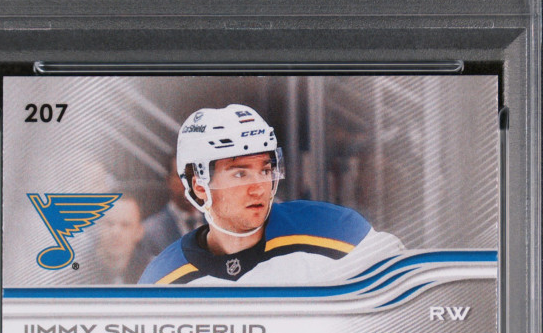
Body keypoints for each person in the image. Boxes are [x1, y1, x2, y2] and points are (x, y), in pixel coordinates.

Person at [138, 104, 402, 286]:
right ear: (199, 186)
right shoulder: (163, 277)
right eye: (240, 174)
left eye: (265, 170)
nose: (259, 188)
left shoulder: (333, 230)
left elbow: (407, 292)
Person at [138, 157, 204, 269]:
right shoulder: (151, 231)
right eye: (181, 176)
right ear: (168, 181)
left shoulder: (218, 224)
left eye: (194, 176)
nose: (188, 183)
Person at [94, 191, 148, 284]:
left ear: (139, 232)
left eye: (125, 225)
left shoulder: (155, 270)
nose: (116, 232)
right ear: (96, 227)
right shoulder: (76, 270)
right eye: (109, 223)